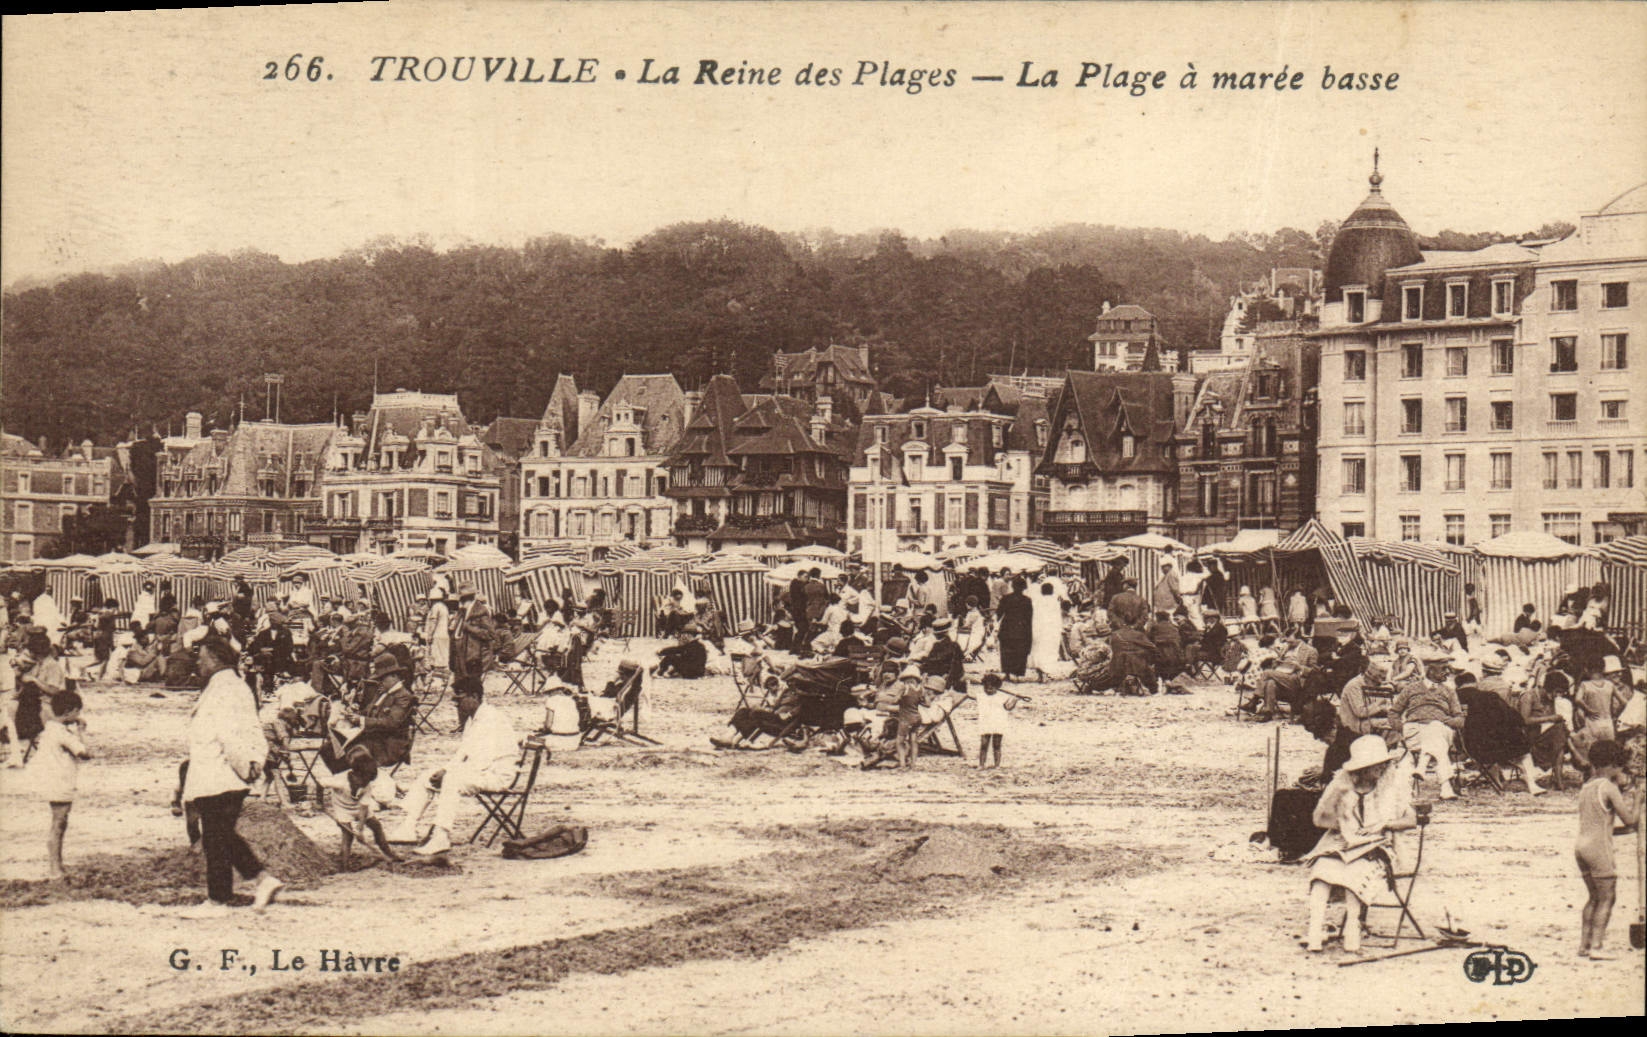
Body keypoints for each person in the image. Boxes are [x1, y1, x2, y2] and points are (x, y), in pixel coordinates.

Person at [182, 637, 285, 916]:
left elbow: (231, 736)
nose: (198, 663)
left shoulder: (225, 689)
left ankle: (220, 899)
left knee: (217, 838)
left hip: (221, 774)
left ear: (215, 659)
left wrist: (246, 769)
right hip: (219, 773)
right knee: (221, 836)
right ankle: (258, 882)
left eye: (201, 658)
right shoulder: (229, 686)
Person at [1302, 735, 1417, 954]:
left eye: (1384, 764)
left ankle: (1352, 928)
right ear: (1361, 769)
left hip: (1378, 846)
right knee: (1322, 871)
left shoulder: (1392, 787)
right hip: (1342, 844)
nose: (1382, 768)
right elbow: (1320, 820)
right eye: (1376, 765)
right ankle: (1314, 930)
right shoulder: (1343, 787)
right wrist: (1341, 818)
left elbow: (1410, 820)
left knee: (1355, 871)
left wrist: (1385, 824)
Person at [389, 682, 520, 855]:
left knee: (452, 780)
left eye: (460, 698)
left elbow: (483, 759)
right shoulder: (473, 719)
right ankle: (408, 826)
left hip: (497, 774)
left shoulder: (491, 718)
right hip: (482, 770)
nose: (456, 703)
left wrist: (449, 773)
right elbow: (463, 753)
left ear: (474, 696)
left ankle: (441, 836)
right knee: (429, 774)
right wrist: (443, 770)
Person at [1572, 739, 1641, 959]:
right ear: (1612, 765)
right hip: (1599, 849)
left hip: (1582, 847)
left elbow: (1602, 825)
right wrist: (1638, 800)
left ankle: (1584, 945)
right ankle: (1597, 946)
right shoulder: (1608, 788)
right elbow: (1630, 819)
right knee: (1607, 898)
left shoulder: (1587, 787)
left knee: (1593, 897)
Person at [32, 689, 90, 880]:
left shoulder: (49, 729)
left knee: (58, 823)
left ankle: (57, 865)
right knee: (59, 823)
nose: (78, 716)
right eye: (77, 712)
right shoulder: (63, 734)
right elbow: (84, 753)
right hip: (61, 781)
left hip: (51, 779)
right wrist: (81, 732)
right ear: (69, 712)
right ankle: (55, 868)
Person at [1392, 658, 1466, 800]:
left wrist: (1445, 720)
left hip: (1441, 729)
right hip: (1415, 730)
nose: (1447, 672)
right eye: (1444, 669)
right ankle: (1445, 788)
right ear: (1431, 670)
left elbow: (1459, 719)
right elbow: (1394, 712)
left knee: (1435, 727)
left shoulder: (1449, 691)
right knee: (1436, 737)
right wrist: (1400, 729)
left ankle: (1421, 766)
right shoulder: (1411, 689)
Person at [319, 746, 402, 869]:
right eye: (363, 780)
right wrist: (319, 802)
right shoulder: (339, 781)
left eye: (367, 781)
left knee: (376, 826)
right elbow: (320, 783)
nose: (364, 783)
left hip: (357, 807)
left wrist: (360, 829)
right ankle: (345, 865)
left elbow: (363, 808)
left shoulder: (366, 785)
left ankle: (388, 853)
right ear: (355, 774)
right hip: (342, 808)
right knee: (348, 835)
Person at [975, 672, 1017, 769]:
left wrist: (1014, 700)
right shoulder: (981, 696)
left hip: (998, 722)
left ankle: (997, 765)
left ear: (997, 687)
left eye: (991, 688)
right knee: (984, 744)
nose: (988, 690)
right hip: (985, 723)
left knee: (997, 745)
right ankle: (981, 764)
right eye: (986, 688)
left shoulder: (1002, 697)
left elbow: (1008, 707)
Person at [996, 576, 1034, 679]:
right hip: (1022, 629)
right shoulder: (1027, 600)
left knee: (1006, 651)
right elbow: (1029, 617)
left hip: (1007, 628)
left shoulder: (1006, 598)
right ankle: (1017, 674)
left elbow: (999, 613)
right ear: (1024, 587)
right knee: (1020, 652)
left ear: (1012, 586)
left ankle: (1007, 673)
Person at [1028, 581, 1064, 681]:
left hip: (1038, 629)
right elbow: (1057, 618)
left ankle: (1039, 674)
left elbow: (1033, 616)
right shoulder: (1055, 602)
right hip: (1051, 631)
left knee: (1038, 651)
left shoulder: (1036, 601)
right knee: (1049, 652)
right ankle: (1047, 672)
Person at [895, 665, 924, 769]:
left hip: (906, 718)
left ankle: (902, 764)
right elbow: (927, 704)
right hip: (917, 717)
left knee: (899, 742)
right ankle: (913, 764)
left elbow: (895, 700)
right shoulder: (920, 689)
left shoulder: (904, 688)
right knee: (913, 741)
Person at [422, 587, 452, 672]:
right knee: (444, 657)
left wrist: (430, 635)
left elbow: (433, 622)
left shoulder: (435, 607)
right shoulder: (444, 607)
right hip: (444, 635)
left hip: (437, 635)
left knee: (438, 659)